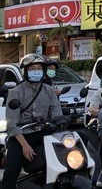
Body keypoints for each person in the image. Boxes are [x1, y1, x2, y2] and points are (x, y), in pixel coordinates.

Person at [1, 53, 64, 189]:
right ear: (26, 71)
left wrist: (61, 121)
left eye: (39, 68)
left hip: (44, 132)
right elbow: (12, 124)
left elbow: (56, 114)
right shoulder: (16, 92)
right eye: (32, 69)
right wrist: (24, 145)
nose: (36, 71)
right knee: (11, 170)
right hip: (21, 136)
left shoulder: (49, 90)